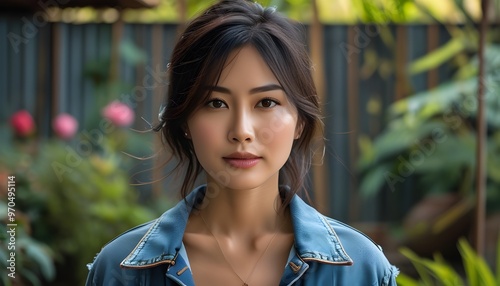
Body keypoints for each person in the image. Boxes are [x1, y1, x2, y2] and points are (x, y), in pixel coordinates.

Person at [85, 0, 399, 285]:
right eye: (215, 103)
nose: (242, 131)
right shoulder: (121, 270)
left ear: (300, 121)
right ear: (184, 122)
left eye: (266, 103)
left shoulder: (361, 269)